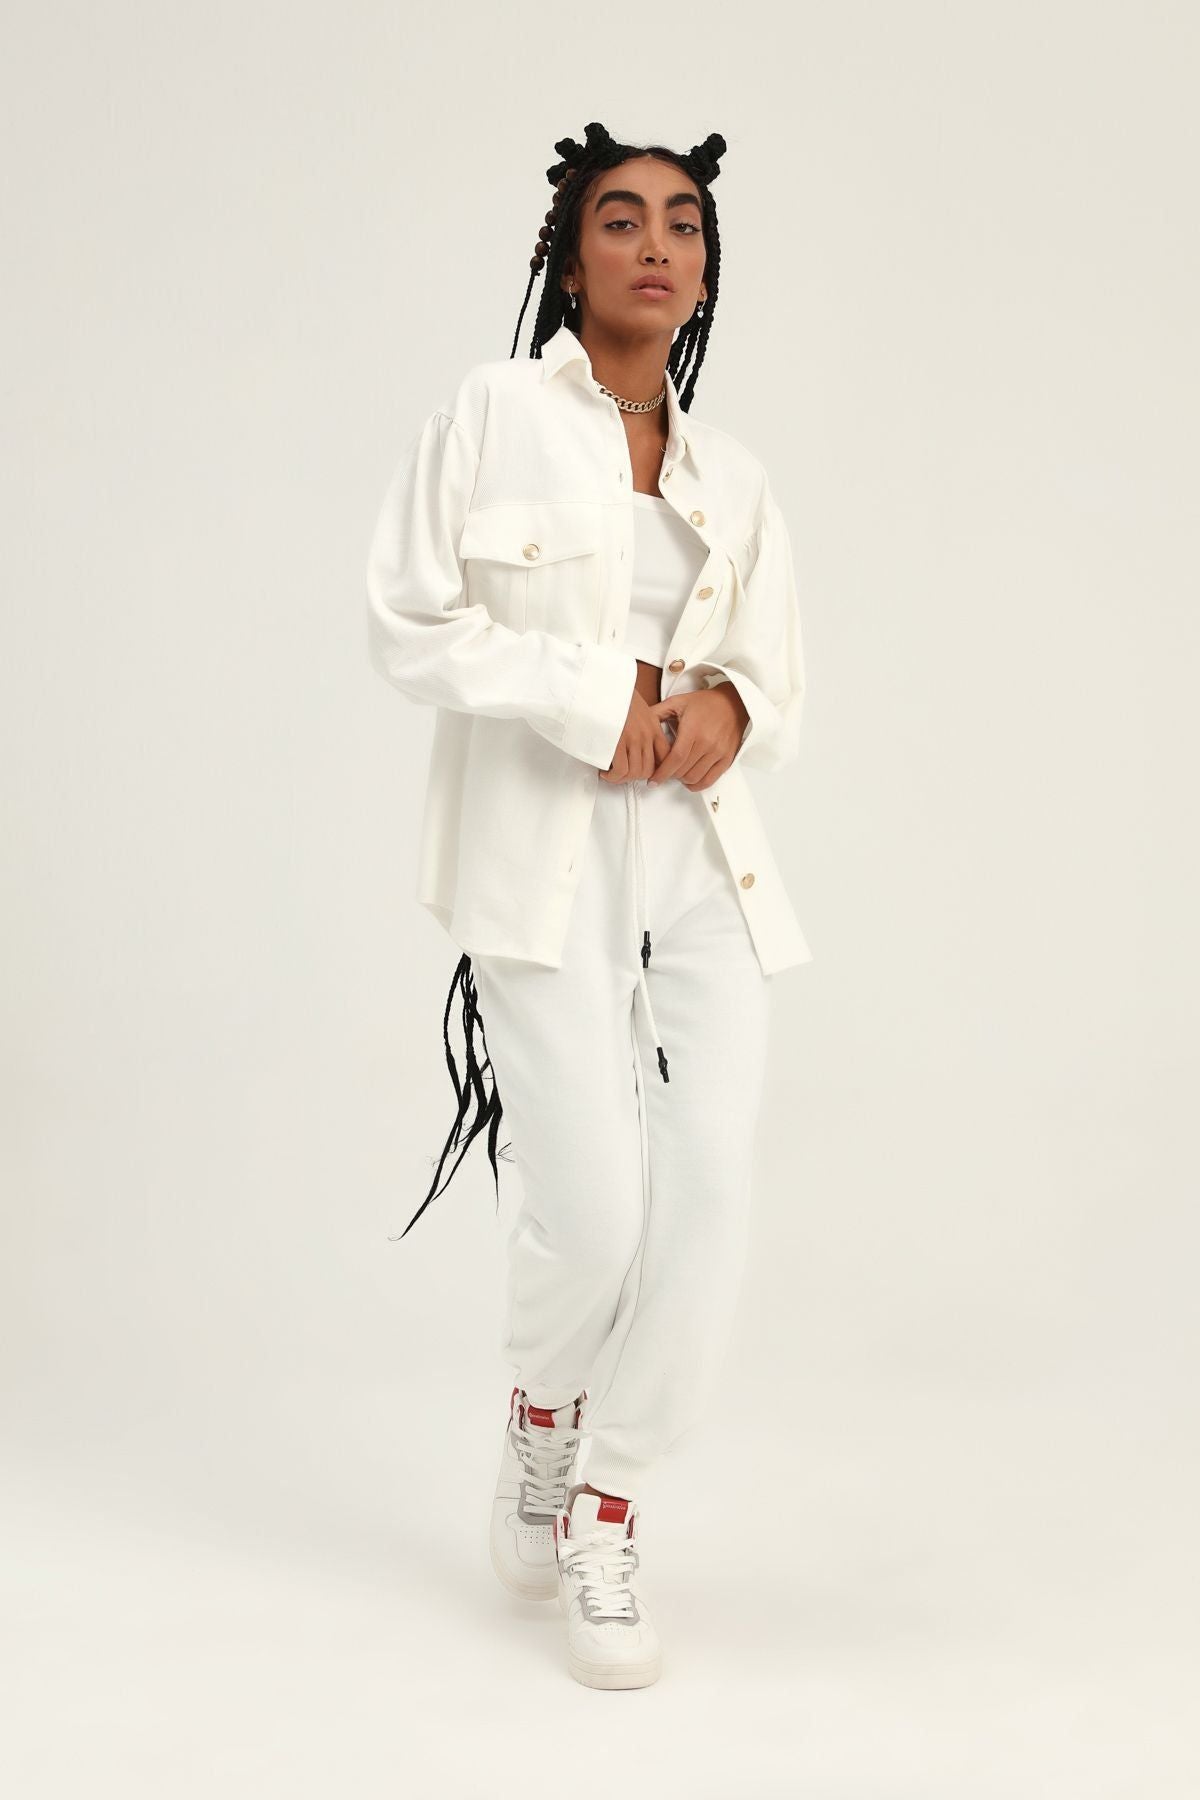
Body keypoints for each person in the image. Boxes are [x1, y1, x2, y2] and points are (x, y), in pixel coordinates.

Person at [365, 121, 812, 1689]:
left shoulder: (734, 476)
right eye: (620, 218)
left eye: (683, 223)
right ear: (568, 256)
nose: (655, 244)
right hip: (536, 857)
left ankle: (606, 1502)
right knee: (597, 1208)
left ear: (706, 269)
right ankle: (542, 1411)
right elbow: (407, 622)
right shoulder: (490, 416)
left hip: (699, 860)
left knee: (712, 1197)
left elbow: (777, 672)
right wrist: (585, 692)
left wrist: (731, 710)